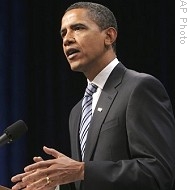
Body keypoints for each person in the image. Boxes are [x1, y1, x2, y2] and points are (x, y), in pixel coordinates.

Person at [11, 2, 175, 190]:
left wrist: (82, 170)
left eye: (78, 28)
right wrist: (54, 184)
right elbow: (87, 183)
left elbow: (160, 173)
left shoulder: (139, 87)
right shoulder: (77, 111)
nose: (67, 39)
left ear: (109, 36)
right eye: (63, 33)